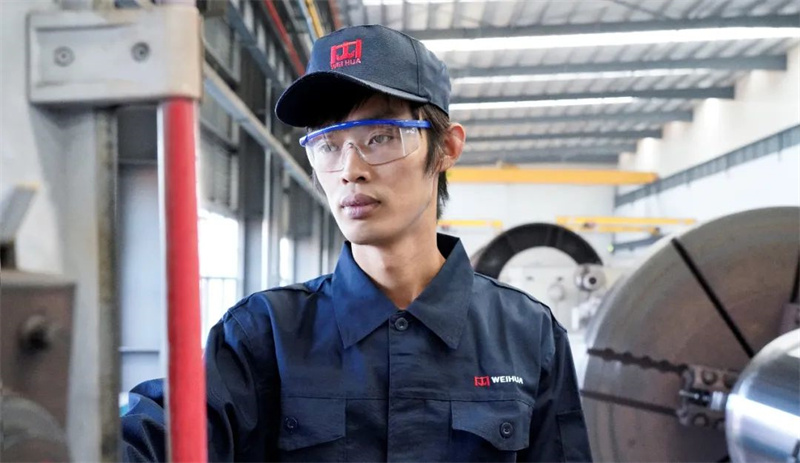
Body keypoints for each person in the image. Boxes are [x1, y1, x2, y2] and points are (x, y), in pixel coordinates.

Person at [121, 24, 592, 462]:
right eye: (328, 144)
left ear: (446, 148)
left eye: (381, 137)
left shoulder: (528, 335)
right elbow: (155, 436)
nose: (350, 169)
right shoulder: (262, 336)